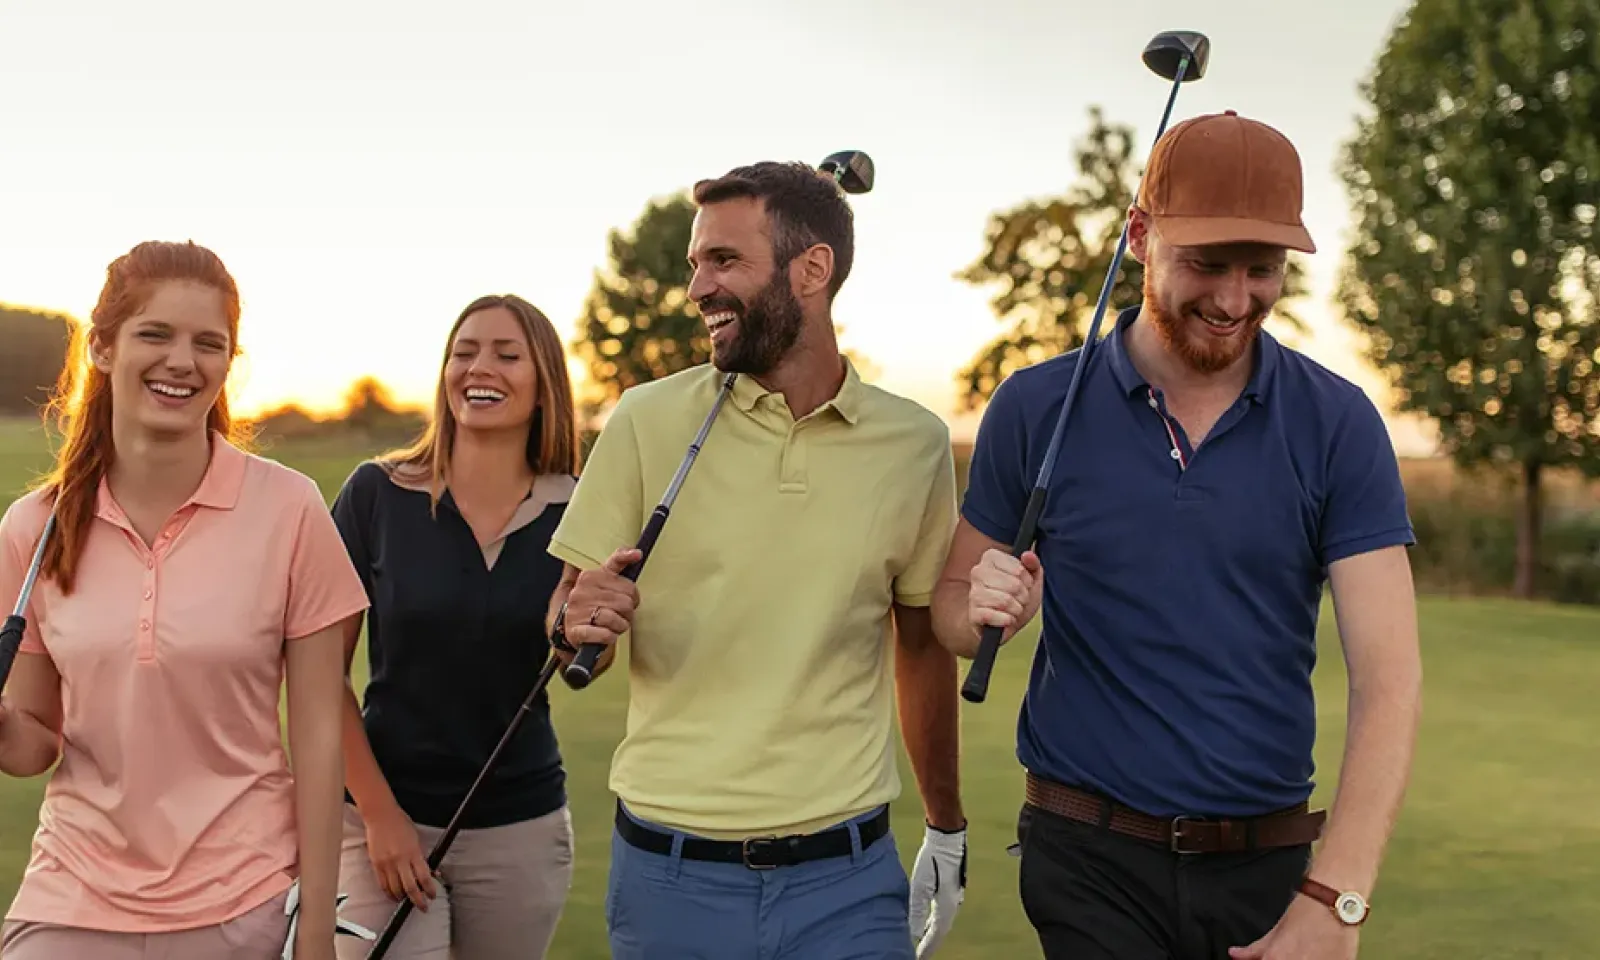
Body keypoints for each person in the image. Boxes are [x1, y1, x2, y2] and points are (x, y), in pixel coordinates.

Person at [932, 110, 1422, 960]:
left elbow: (1391, 680)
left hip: (1268, 868)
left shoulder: (1338, 423)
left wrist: (1334, 897)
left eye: (1262, 271)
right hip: (1087, 859)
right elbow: (946, 610)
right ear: (1139, 236)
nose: (1235, 302)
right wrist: (980, 606)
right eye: (1206, 265)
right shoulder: (1034, 407)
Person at [545, 160, 967, 960]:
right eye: (696, 265)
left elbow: (920, 647)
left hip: (848, 882)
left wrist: (945, 823)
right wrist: (574, 623)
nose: (698, 288)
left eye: (724, 261)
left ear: (813, 270)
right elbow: (568, 630)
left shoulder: (913, 445)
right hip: (670, 882)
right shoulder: (644, 420)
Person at [0, 240, 365, 959]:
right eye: (155, 334)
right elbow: (33, 740)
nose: (181, 361)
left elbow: (320, 737)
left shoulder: (291, 510)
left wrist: (316, 930)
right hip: (70, 898)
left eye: (209, 343)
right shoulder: (32, 528)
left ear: (230, 363)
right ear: (102, 347)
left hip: (244, 903)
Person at [327, 294, 580, 959]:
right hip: (381, 824)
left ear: (543, 383)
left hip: (520, 832)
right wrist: (380, 818)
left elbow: (589, 651)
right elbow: (318, 676)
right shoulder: (374, 495)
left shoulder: (580, 509)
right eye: (463, 353)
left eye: (505, 354)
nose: (478, 368)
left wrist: (578, 635)